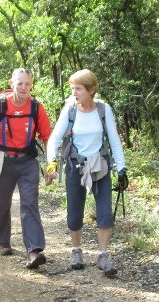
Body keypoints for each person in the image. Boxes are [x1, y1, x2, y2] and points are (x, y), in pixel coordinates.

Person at [45, 69, 128, 277]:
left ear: (91, 90)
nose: (74, 92)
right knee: (74, 211)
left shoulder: (103, 109)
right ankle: (76, 251)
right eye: (72, 88)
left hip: (100, 166)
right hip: (75, 166)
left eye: (78, 88)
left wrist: (122, 168)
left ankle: (102, 255)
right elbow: (54, 140)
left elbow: (114, 140)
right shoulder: (69, 110)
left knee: (105, 212)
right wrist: (51, 166)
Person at [0, 68, 53, 269]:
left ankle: (34, 250)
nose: (23, 87)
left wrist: (51, 165)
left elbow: (47, 136)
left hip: (27, 161)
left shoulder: (37, 107)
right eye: (19, 83)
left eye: (27, 84)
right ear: (12, 84)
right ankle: (4, 240)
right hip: (2, 160)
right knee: (1, 203)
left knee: (29, 203)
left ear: (31, 85)